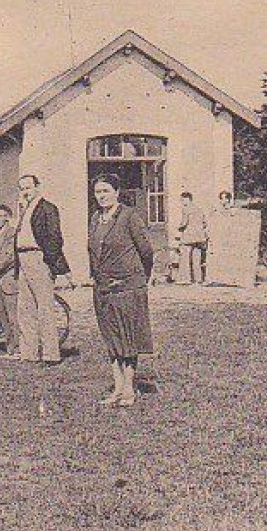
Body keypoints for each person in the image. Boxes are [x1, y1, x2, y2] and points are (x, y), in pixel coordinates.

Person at [89, 174, 155, 407]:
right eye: (98, 192)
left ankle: (129, 388)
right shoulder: (96, 218)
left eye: (106, 191)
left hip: (127, 287)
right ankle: (117, 388)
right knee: (112, 339)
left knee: (128, 339)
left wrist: (138, 277)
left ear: (117, 192)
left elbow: (146, 251)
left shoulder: (129, 217)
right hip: (103, 287)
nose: (102, 196)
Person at [14, 175, 72, 364]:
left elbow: (55, 238)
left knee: (44, 307)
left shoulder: (47, 208)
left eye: (28, 188)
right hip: (22, 259)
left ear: (38, 187)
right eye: (22, 188)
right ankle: (28, 353)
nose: (25, 192)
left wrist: (53, 263)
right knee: (25, 308)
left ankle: (51, 354)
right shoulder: (24, 209)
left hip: (38, 258)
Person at [0, 203, 21, 355]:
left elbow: (8, 257)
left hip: (9, 279)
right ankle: (11, 349)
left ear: (8, 217)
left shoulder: (11, 233)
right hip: (0, 281)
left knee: (13, 316)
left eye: (0, 216)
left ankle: (19, 349)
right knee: (3, 316)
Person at [176, 191, 208, 284]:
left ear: (187, 199)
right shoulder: (199, 209)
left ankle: (185, 279)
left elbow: (184, 223)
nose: (182, 202)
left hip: (188, 237)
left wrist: (179, 228)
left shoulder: (186, 209)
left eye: (182, 200)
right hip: (200, 237)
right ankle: (198, 279)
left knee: (185, 258)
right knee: (196, 258)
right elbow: (205, 223)